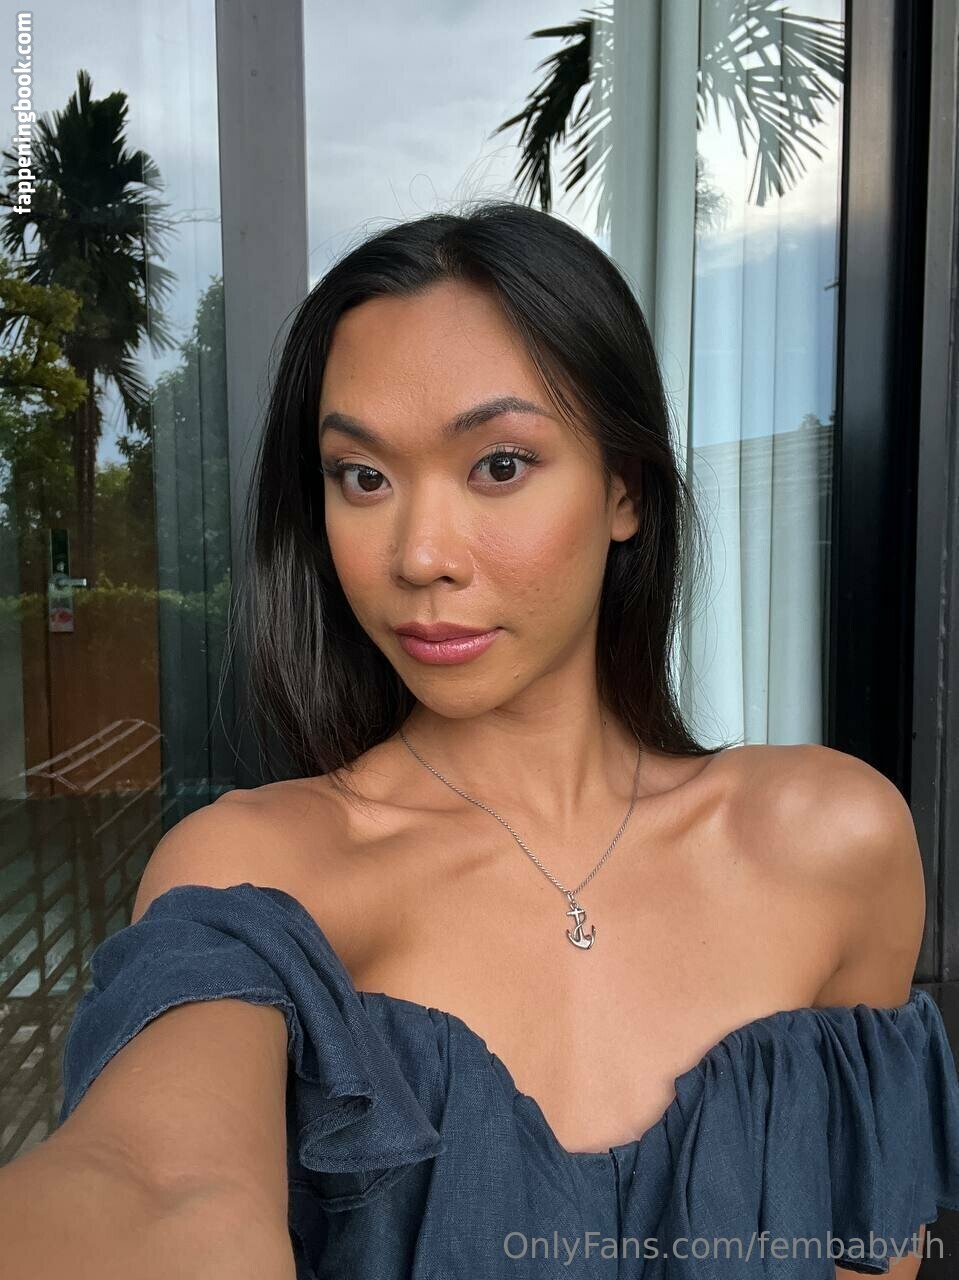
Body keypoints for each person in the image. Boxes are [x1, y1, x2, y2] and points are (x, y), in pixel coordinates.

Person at [4, 200, 959, 1279]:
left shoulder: (832, 842)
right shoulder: (255, 870)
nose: (419, 554)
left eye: (499, 465)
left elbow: (867, 1250)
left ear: (623, 489)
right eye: (362, 476)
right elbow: (155, 1182)